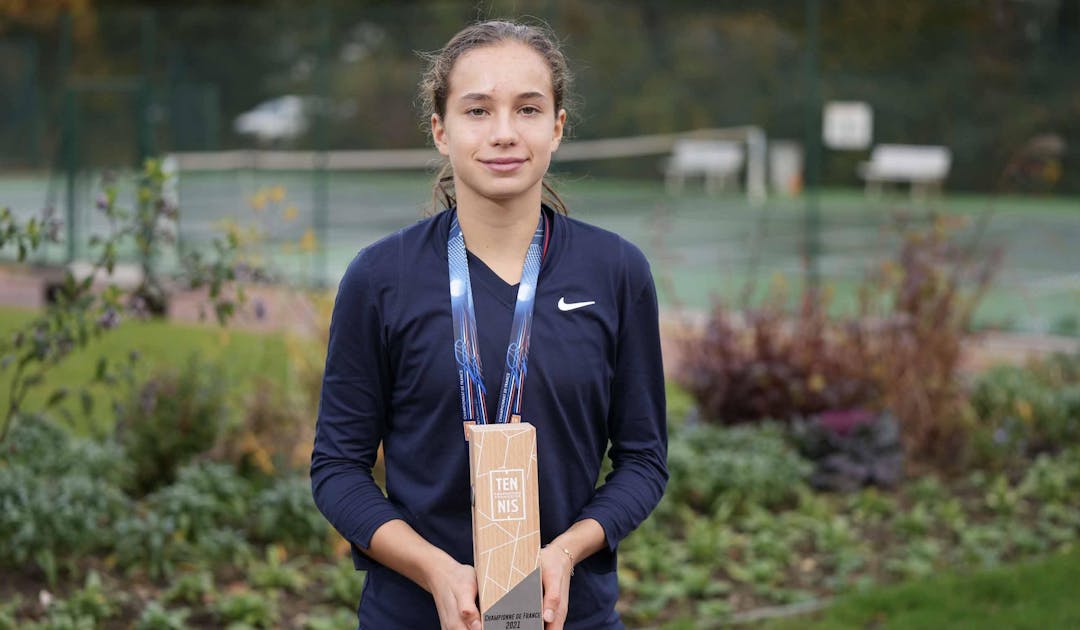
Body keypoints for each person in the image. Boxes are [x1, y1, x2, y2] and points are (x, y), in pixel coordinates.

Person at [311, 19, 667, 630]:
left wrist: (565, 552)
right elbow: (337, 470)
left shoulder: (616, 271)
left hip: (570, 616)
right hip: (415, 615)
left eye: (528, 109)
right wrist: (434, 571)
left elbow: (643, 461)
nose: (504, 133)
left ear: (557, 127)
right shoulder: (380, 278)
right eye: (477, 110)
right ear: (440, 130)